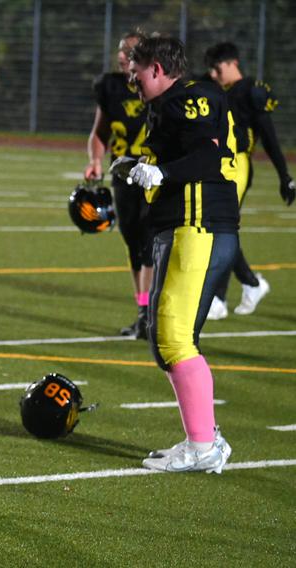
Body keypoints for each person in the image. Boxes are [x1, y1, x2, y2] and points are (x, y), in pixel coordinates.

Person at [119, 36, 238, 473]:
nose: (130, 77)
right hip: (188, 224)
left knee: (172, 336)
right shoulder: (168, 104)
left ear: (155, 68)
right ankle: (203, 436)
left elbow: (207, 156)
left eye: (135, 68)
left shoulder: (192, 97)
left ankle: (203, 444)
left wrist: (162, 171)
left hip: (198, 224)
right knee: (168, 336)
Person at [202, 41, 294, 320]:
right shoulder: (217, 89)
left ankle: (219, 297)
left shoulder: (251, 90)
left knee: (221, 227)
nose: (214, 75)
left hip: (238, 164)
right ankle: (251, 284)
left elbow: (269, 136)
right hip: (219, 164)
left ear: (233, 63)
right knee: (217, 227)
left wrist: (284, 176)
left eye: (218, 69)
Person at [84, 31, 153, 339]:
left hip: (154, 173)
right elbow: (100, 132)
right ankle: (142, 309)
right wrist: (95, 160)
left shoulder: (157, 86)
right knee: (133, 241)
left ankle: (149, 313)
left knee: (150, 241)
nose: (122, 55)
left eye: (130, 50)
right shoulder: (111, 86)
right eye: (122, 49)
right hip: (123, 173)